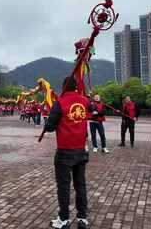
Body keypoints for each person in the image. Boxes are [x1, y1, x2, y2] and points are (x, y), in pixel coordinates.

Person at [44, 76, 90, 229]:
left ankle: (64, 219)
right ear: (76, 86)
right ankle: (82, 218)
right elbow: (93, 112)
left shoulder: (60, 102)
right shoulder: (84, 101)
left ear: (64, 87)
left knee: (64, 186)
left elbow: (50, 127)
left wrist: (48, 120)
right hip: (81, 149)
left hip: (65, 151)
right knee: (80, 184)